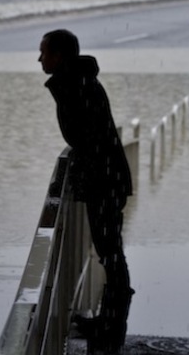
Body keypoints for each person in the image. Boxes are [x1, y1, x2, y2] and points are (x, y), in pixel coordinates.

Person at [38, 28, 134, 354]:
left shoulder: (75, 86)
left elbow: (87, 136)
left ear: (60, 56)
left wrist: (85, 166)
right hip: (105, 178)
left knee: (110, 252)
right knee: (109, 250)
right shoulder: (79, 82)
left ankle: (110, 330)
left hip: (103, 181)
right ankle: (109, 323)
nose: (40, 59)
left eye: (45, 52)